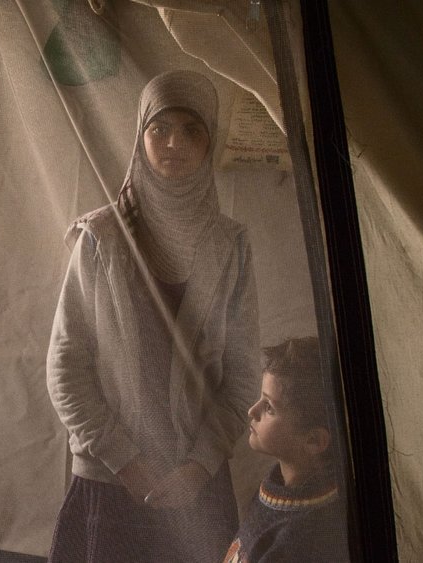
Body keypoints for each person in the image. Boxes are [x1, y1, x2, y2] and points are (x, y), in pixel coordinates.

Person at [45, 70, 260, 562]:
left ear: (211, 141)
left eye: (191, 130)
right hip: (110, 480)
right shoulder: (101, 237)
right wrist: (126, 461)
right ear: (140, 136)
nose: (174, 143)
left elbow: (244, 377)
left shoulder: (231, 246)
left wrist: (198, 467)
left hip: (198, 489)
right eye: (159, 128)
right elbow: (66, 368)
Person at [222, 336, 349, 562]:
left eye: (269, 407)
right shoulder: (274, 487)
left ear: (314, 441)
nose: (252, 411)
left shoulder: (304, 537)